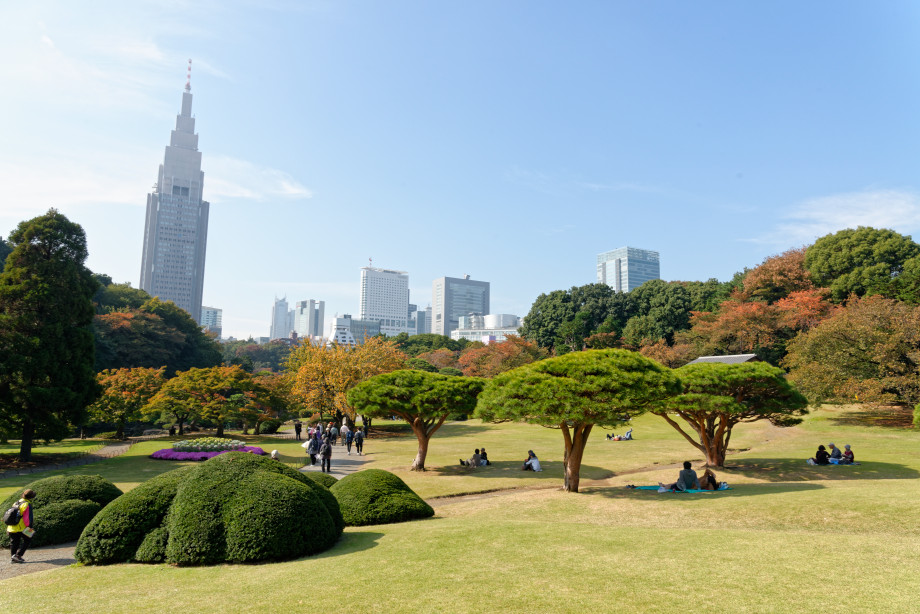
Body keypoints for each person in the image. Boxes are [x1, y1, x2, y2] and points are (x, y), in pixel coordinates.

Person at [7, 489, 36, 564]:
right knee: (28, 539)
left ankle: (13, 558)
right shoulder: (27, 504)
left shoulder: (16, 502)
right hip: (22, 527)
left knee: (14, 542)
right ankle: (18, 555)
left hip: (12, 527)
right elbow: (27, 519)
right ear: (31, 497)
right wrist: (30, 527)